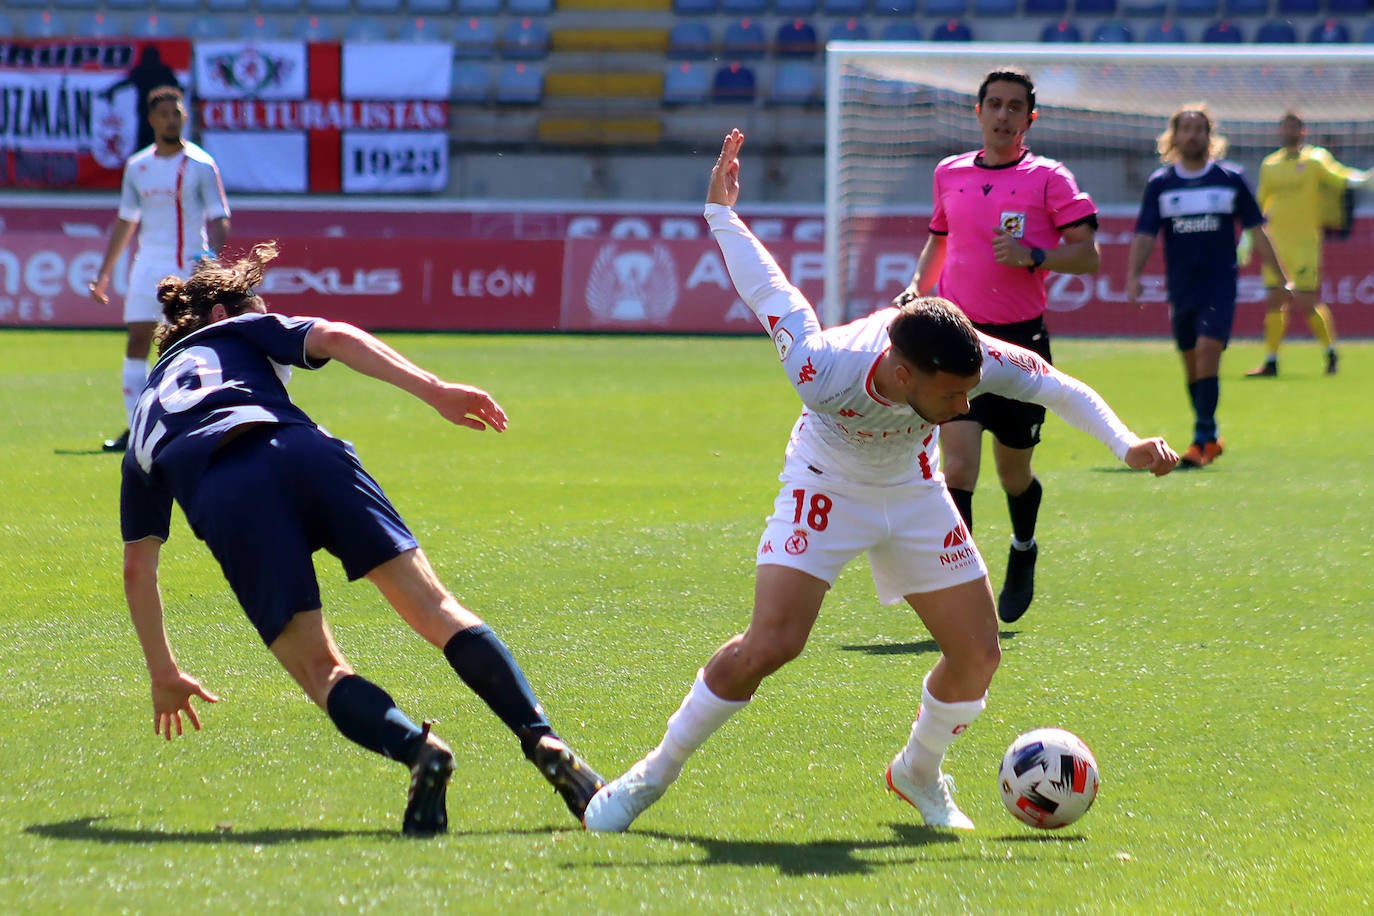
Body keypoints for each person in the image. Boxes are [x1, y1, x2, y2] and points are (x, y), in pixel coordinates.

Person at [583, 129, 1178, 835]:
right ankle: (650, 778)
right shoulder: (821, 364)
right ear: (902, 375)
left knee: (979, 656)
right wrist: (721, 213)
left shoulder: (971, 357)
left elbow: (1056, 387)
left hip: (914, 492)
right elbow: (767, 288)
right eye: (954, 396)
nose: (967, 408)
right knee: (772, 643)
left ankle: (918, 774)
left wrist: (1126, 441)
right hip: (824, 485)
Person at [120, 242, 604, 836]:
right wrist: (435, 390)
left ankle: (419, 751)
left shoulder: (143, 415)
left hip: (230, 495)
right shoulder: (240, 331)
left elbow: (137, 569)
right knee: (437, 609)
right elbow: (337, 336)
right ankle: (542, 740)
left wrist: (163, 670)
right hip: (308, 452)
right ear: (223, 314)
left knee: (321, 672)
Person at [898, 69, 1101, 625]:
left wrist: (1035, 255)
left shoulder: (1048, 179)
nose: (1003, 115)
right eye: (994, 104)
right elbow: (939, 240)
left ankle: (1023, 547)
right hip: (959, 339)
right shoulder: (950, 173)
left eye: (1015, 107)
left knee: (1013, 473)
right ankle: (957, 587)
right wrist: (919, 287)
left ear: (1029, 118)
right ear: (978, 111)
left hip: (1019, 345)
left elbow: (1088, 256)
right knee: (958, 469)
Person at [1126, 103, 1290, 469]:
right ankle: (1210, 433)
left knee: (1206, 353)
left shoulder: (1230, 179)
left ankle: (1201, 439)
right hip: (1181, 287)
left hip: (1219, 285)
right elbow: (1144, 234)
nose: (1192, 135)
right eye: (1185, 128)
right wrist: (1133, 275)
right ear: (1174, 136)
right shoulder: (1161, 184)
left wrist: (1279, 278)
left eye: (1199, 129)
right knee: (1191, 364)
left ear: (1209, 136)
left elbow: (1256, 231)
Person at [91, 85, 230, 453]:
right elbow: (126, 220)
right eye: (165, 114)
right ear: (152, 120)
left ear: (184, 117)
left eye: (177, 113)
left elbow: (220, 217)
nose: (173, 119)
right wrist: (104, 272)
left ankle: (192, 423)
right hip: (146, 265)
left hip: (186, 266)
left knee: (184, 345)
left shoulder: (201, 164)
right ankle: (136, 426)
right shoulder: (137, 166)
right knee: (137, 340)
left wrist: (212, 258)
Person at [1245, 111, 1371, 378]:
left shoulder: (1315, 159)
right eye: (1286, 126)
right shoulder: (1270, 164)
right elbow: (1259, 203)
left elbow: (1338, 176)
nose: (1290, 131)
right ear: (1280, 131)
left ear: (1303, 131)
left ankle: (1330, 351)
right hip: (1276, 243)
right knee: (1274, 300)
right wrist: (1247, 238)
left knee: (1305, 302)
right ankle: (1271, 360)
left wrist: (1363, 180)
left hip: (1304, 243)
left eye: (1295, 126)